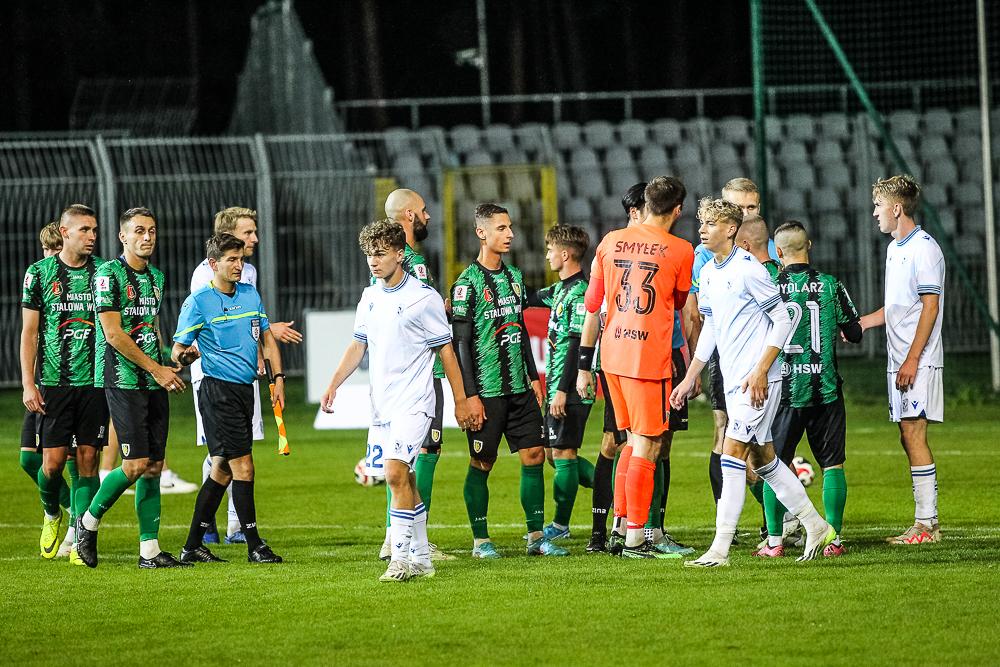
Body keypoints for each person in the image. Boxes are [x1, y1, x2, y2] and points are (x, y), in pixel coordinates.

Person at [671, 198, 835, 567]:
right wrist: (690, 377)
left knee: (731, 454)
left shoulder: (749, 270)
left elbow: (782, 319)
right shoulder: (708, 272)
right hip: (735, 380)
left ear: (730, 229)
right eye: (701, 223)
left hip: (758, 382)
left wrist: (761, 369)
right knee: (763, 460)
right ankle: (816, 525)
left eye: (710, 224)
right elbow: (711, 327)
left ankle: (719, 550)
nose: (702, 230)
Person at [321, 219, 471, 581]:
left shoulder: (423, 297)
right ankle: (423, 557)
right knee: (407, 479)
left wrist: (461, 400)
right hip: (382, 408)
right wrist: (334, 384)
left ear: (400, 254)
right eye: (369, 254)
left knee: (394, 473)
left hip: (414, 403)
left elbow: (446, 352)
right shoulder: (370, 297)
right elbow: (358, 345)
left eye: (381, 254)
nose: (373, 261)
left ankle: (400, 559)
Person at [581, 176, 694, 559]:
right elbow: (680, 300)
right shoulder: (681, 249)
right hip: (648, 356)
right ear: (677, 210)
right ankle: (635, 539)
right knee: (648, 443)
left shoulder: (610, 241)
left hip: (612, 354)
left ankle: (620, 526)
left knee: (630, 440)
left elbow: (592, 302)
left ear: (645, 202)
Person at [75, 207, 189, 569]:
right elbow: (113, 333)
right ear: (122, 236)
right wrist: (156, 369)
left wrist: (173, 357)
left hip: (154, 380)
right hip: (123, 381)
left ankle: (149, 551)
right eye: (139, 231)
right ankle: (87, 522)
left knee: (153, 466)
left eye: (152, 231)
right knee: (135, 463)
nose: (147, 237)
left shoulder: (156, 277)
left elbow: (151, 329)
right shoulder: (107, 275)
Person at [451, 204, 566, 558]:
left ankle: (536, 538)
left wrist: (533, 377)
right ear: (481, 233)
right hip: (486, 392)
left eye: (510, 227)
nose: (510, 234)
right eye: (501, 228)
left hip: (519, 388)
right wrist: (469, 395)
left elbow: (519, 330)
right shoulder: (466, 284)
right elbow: (460, 344)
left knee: (534, 455)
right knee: (482, 463)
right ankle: (480, 541)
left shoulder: (515, 277)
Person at [189, 206, 301, 544]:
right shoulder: (204, 277)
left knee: (233, 452)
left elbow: (252, 321)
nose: (255, 238)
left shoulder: (248, 274)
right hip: (213, 375)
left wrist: (267, 362)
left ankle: (219, 529)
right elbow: (215, 322)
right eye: (247, 232)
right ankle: (225, 529)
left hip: (244, 374)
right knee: (223, 452)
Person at [173, 233, 285, 564]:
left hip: (244, 391)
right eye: (231, 260)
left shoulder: (250, 294)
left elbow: (267, 338)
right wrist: (186, 357)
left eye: (241, 259)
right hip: (217, 392)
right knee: (243, 466)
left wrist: (278, 378)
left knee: (221, 470)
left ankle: (192, 546)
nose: (239, 265)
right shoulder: (198, 302)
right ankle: (254, 545)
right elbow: (178, 351)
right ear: (213, 264)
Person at [754, 221, 862, 558]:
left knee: (775, 465)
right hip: (824, 389)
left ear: (778, 252)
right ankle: (834, 540)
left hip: (784, 390)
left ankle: (774, 542)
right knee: (833, 465)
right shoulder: (830, 284)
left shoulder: (770, 286)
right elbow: (855, 332)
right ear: (809, 245)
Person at [859, 175, 945, 545]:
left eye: (878, 206)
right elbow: (898, 307)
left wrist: (912, 359)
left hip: (917, 359)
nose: (875, 213)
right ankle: (925, 522)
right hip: (901, 359)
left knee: (913, 432)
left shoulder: (924, 249)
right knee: (906, 434)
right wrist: (865, 322)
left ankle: (926, 525)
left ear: (896, 208)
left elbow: (930, 307)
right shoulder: (896, 248)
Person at [684, 179, 776, 524]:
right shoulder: (704, 258)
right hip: (726, 357)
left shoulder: (763, 249)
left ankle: (779, 523)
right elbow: (699, 314)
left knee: (759, 445)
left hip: (765, 359)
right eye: (740, 207)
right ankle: (740, 527)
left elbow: (782, 314)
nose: (747, 213)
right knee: (726, 434)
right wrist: (696, 369)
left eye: (752, 207)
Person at [20, 212, 104, 563]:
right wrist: (28, 383)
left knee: (88, 461)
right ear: (65, 231)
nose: (92, 236)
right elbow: (29, 333)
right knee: (51, 465)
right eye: (85, 229)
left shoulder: (104, 272)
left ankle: (81, 539)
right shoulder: (39, 273)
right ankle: (52, 512)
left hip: (94, 383)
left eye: (95, 230)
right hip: (54, 383)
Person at [378, 189, 454, 563]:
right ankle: (405, 539)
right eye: (423, 210)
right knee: (424, 451)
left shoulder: (385, 262)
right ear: (409, 215)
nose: (427, 216)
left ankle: (394, 536)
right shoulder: (412, 263)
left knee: (399, 456)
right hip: (421, 372)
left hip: (393, 374)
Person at [526, 224, 593, 541]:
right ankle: (611, 488)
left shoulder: (580, 293)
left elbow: (579, 344)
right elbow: (528, 297)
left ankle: (561, 526)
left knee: (563, 454)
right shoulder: (560, 290)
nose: (547, 255)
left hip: (570, 388)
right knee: (553, 454)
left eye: (550, 250)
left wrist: (563, 390)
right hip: (558, 387)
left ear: (565, 254)